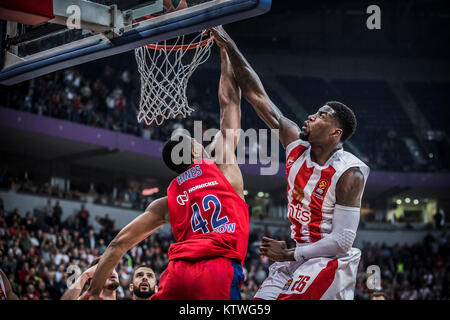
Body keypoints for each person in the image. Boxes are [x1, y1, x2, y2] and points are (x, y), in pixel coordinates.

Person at [210, 26, 370, 300]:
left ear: (335, 133)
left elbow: (343, 242)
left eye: (322, 115)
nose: (310, 116)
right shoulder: (295, 142)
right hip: (293, 256)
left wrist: (291, 252)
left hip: (327, 261)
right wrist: (228, 46)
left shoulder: (349, 173)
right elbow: (257, 96)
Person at [80, 44, 248, 300]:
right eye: (196, 144)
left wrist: (92, 293)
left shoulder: (166, 202)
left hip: (177, 275)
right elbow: (230, 104)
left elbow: (117, 245)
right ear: (192, 154)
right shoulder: (223, 170)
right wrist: (226, 51)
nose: (201, 144)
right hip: (218, 270)